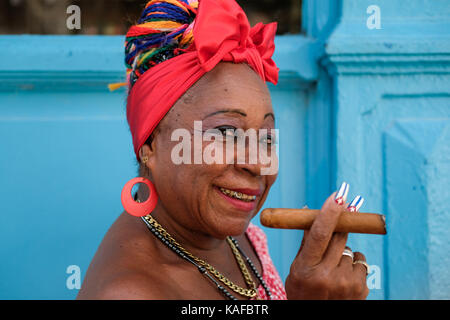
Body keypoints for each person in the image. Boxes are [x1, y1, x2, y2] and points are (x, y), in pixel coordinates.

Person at [77, 0, 369, 300]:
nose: (257, 165)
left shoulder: (232, 235)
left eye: (267, 138)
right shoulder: (130, 294)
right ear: (150, 144)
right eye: (227, 132)